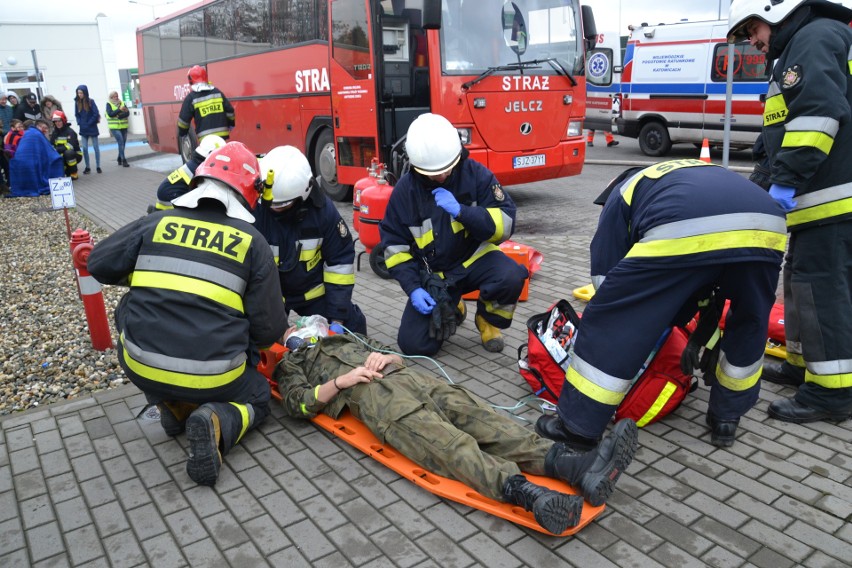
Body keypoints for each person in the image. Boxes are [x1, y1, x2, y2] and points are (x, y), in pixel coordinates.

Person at [276, 324, 639, 535]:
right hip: (375, 398)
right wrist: (343, 380)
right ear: (290, 339)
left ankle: (575, 467)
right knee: (449, 443)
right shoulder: (292, 362)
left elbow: (394, 353)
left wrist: (387, 358)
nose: (304, 327)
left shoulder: (343, 339)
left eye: (307, 322)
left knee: (484, 421)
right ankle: (528, 495)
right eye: (295, 327)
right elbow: (298, 404)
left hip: (411, 379)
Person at [535, 160, 786, 448]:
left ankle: (577, 429)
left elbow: (606, 283)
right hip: (768, 229)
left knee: (611, 320)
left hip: (685, 226)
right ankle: (726, 418)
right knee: (749, 323)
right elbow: (703, 277)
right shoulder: (680, 173)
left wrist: (639, 321)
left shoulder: (621, 194)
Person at [87, 141, 288, 487]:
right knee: (257, 395)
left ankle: (172, 404)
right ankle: (213, 419)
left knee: (126, 309)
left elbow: (98, 264)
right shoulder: (252, 243)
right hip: (215, 377)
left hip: (140, 367)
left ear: (199, 181)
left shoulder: (156, 223)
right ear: (248, 194)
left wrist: (150, 282)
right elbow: (268, 328)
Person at [728, 0, 852, 424]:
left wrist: (785, 180)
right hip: (819, 198)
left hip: (829, 198)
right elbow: (784, 123)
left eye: (753, 30)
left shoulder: (812, 39)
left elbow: (817, 117)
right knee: (800, 282)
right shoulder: (812, 39)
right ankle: (803, 366)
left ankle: (832, 393)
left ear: (776, 11)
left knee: (821, 291)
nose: (753, 41)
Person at [379, 113, 529, 355]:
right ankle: (455, 305)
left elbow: (507, 222)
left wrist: (463, 213)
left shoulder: (476, 175)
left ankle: (487, 320)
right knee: (414, 345)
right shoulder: (405, 192)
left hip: (474, 260)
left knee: (511, 276)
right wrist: (413, 287)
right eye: (434, 173)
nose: (442, 176)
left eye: (447, 169)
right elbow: (394, 247)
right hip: (436, 276)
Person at [253, 145, 367, 335]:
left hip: (313, 294)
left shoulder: (323, 213)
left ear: (304, 195)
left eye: (283, 205)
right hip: (271, 296)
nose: (275, 209)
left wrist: (337, 318)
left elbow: (339, 265)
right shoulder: (255, 211)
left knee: (353, 328)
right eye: (271, 204)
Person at [153, 134, 226, 210]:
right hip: (170, 203)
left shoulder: (194, 163)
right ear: (210, 153)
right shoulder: (199, 170)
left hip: (167, 198)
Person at [177, 65, 235, 144]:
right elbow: (230, 111)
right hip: (222, 136)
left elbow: (183, 121)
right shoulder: (217, 92)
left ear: (190, 80)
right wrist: (231, 124)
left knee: (202, 156)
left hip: (205, 140)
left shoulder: (191, 98)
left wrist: (182, 133)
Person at [7, 120, 63, 198]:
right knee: (56, 160)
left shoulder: (26, 133)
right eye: (44, 128)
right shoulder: (37, 134)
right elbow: (49, 151)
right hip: (30, 164)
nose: (46, 131)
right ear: (39, 127)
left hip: (18, 165)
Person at [74, 85, 101, 174]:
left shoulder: (90, 101)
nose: (79, 94)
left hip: (92, 127)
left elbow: (95, 113)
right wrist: (79, 122)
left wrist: (89, 123)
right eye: (78, 93)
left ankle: (98, 166)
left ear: (85, 93)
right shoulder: (77, 102)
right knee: (85, 148)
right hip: (83, 129)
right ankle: (88, 167)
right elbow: (77, 114)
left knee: (96, 147)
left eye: (81, 93)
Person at [50, 111, 83, 180]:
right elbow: (51, 144)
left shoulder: (70, 132)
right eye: (55, 122)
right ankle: (65, 171)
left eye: (59, 121)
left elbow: (70, 146)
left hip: (75, 154)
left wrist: (57, 150)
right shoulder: (54, 133)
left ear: (63, 120)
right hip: (61, 154)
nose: (57, 123)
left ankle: (74, 173)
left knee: (68, 153)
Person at [105, 91, 130, 168]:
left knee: (123, 143)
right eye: (115, 96)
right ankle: (123, 160)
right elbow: (110, 114)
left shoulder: (122, 103)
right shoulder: (108, 104)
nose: (116, 97)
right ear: (111, 97)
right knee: (121, 142)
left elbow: (127, 113)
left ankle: (119, 158)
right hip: (114, 127)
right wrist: (119, 110)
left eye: (117, 96)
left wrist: (119, 116)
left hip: (123, 126)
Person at [0, 93, 14, 192]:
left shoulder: (9, 109)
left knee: (8, 162)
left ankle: (10, 183)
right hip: (2, 137)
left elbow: (11, 122)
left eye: (5, 99)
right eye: (2, 99)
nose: (4, 101)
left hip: (9, 138)